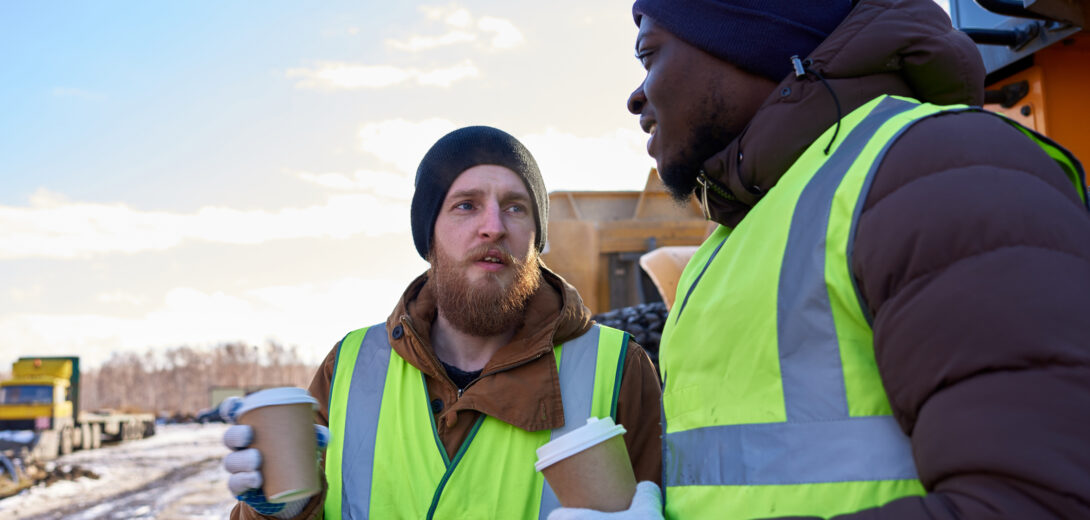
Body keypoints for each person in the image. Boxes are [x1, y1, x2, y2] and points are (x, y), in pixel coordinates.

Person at [553, 0, 1090, 518]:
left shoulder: (938, 170)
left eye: (648, 55)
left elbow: (1045, 499)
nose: (635, 97)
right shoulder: (727, 243)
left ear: (748, 42)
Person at [223, 126, 663, 519]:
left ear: (536, 237)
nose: (493, 227)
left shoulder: (618, 367)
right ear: (428, 235)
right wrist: (284, 513)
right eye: (466, 205)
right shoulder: (350, 367)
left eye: (515, 208)